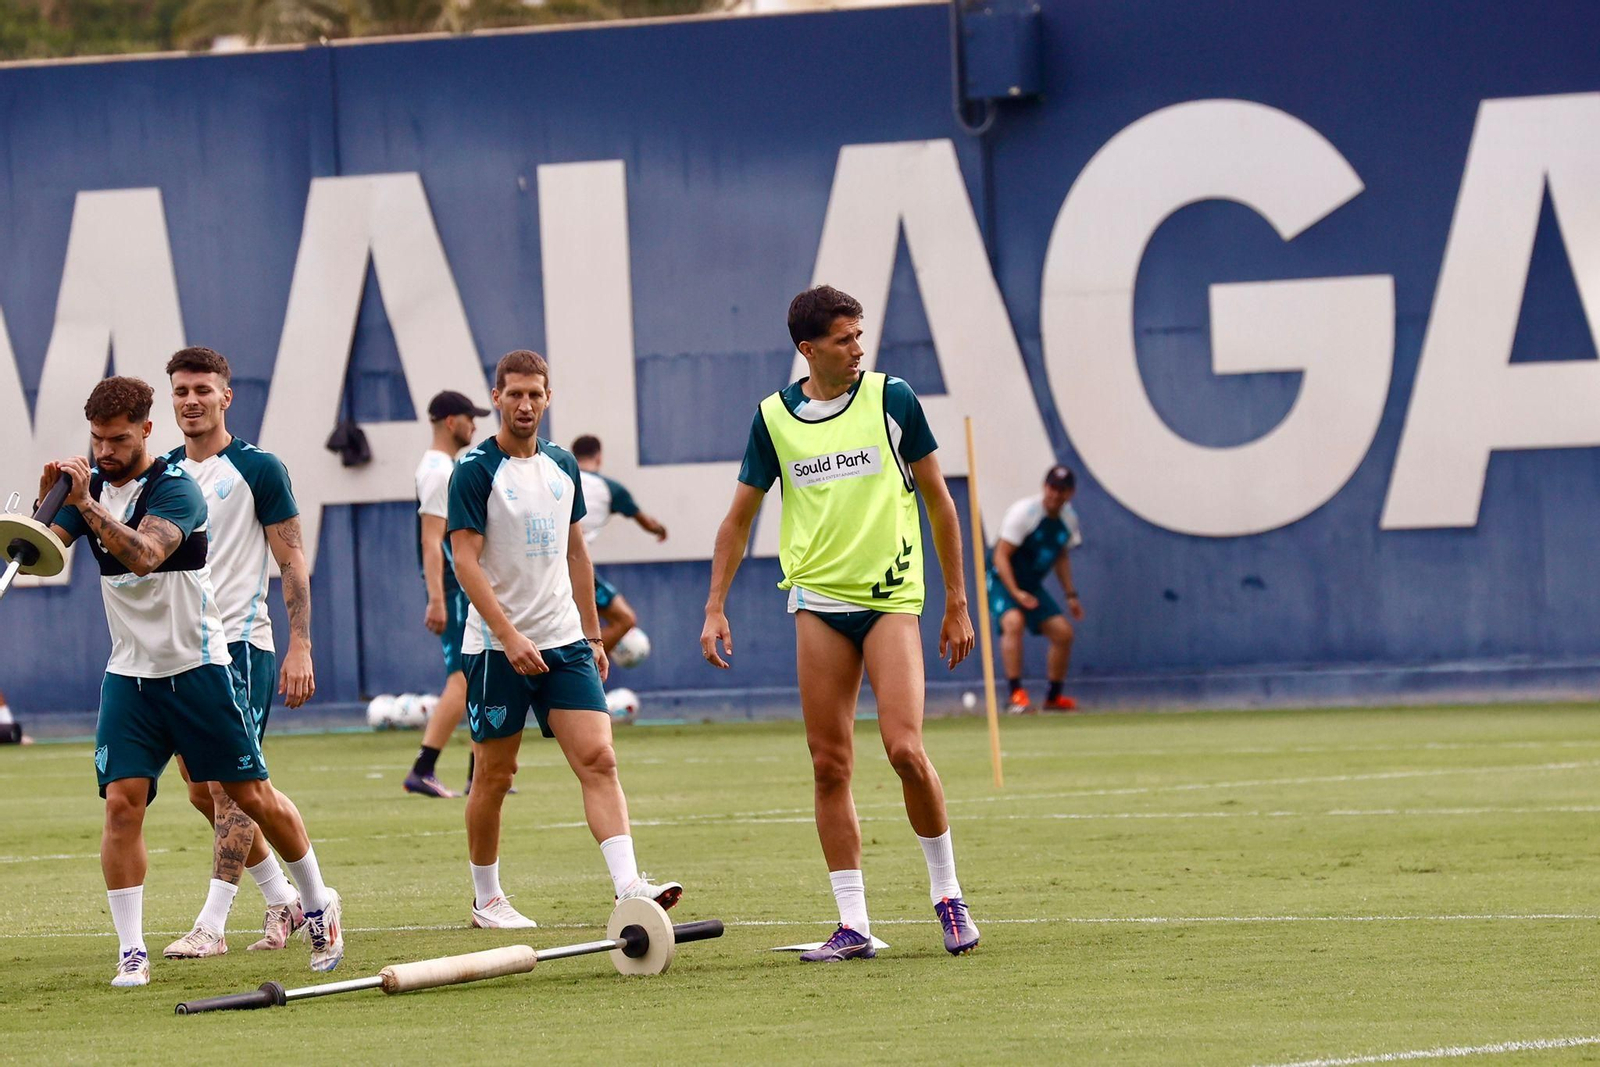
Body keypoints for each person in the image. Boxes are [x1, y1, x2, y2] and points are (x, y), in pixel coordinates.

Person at [700, 285, 980, 961]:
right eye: (845, 338)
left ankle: (948, 895)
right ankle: (853, 923)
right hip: (818, 602)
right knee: (829, 765)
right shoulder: (773, 419)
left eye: (860, 335)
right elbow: (739, 520)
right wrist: (715, 603)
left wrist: (957, 600)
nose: (859, 348)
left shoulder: (893, 400)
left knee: (905, 749)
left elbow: (941, 503)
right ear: (808, 349)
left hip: (889, 598)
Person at [42, 376, 343, 987]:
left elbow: (144, 553)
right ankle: (132, 951)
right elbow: (41, 547)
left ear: (146, 432)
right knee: (123, 804)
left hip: (199, 668)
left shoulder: (177, 488)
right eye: (97, 439)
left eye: (119, 438)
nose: (105, 451)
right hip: (130, 674)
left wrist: (85, 503)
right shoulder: (91, 486)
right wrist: (48, 501)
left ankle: (318, 902)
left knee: (248, 797)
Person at [447, 350, 681, 929]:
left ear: (548, 398)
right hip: (497, 651)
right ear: (497, 397)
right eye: (514, 394)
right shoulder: (475, 469)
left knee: (599, 759)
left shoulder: (561, 465)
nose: (525, 404)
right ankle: (487, 899)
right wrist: (507, 634)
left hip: (565, 643)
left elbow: (577, 551)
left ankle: (630, 888)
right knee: (494, 775)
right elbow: (464, 561)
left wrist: (594, 635)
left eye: (535, 394)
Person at [157, 347, 316, 959]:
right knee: (206, 791)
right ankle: (286, 899)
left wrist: (299, 644)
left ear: (227, 396)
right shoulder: (162, 473)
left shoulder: (258, 468)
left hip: (239, 646)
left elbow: (292, 559)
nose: (191, 400)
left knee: (231, 788)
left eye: (202, 389)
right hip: (177, 653)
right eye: (180, 391)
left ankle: (212, 923)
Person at [405, 389, 491, 798]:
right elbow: (431, 539)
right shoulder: (439, 470)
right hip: (454, 588)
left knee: (475, 676)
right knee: (461, 677)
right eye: (470, 417)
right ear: (451, 421)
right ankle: (423, 769)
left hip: (460, 586)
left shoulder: (447, 466)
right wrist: (437, 597)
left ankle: (481, 773)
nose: (475, 425)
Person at [988, 464, 1086, 713]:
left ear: (1070, 493)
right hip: (1002, 580)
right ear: (1045, 487)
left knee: (1063, 633)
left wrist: (1071, 595)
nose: (1056, 494)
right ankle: (1015, 696)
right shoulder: (1025, 513)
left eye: (1062, 490)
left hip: (1030, 585)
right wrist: (1015, 593)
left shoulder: (1068, 520)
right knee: (1013, 622)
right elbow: (1001, 556)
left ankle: (1053, 698)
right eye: (1052, 487)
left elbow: (1060, 556)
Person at [570, 434, 668, 653]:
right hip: (572, 568)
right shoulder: (610, 489)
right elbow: (646, 522)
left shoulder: (563, 479)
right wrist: (660, 530)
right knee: (624, 619)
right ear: (599, 457)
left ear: (573, 456)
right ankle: (581, 666)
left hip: (547, 565)